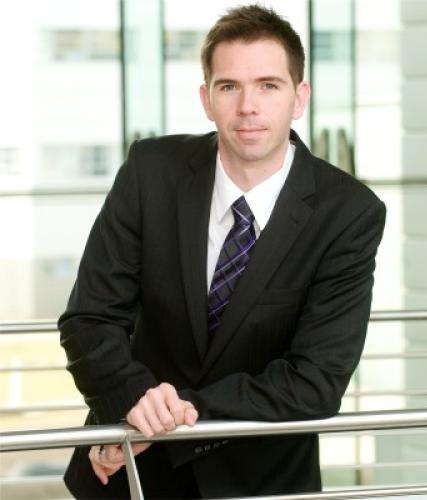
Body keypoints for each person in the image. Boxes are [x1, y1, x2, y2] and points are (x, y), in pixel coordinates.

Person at [59, 4, 386, 499]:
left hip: (260, 481)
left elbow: (315, 380)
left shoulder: (349, 213)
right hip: (129, 470)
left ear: (299, 98)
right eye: (229, 86)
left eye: (268, 86)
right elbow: (90, 317)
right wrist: (130, 402)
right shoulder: (150, 172)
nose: (248, 106)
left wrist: (171, 415)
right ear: (207, 99)